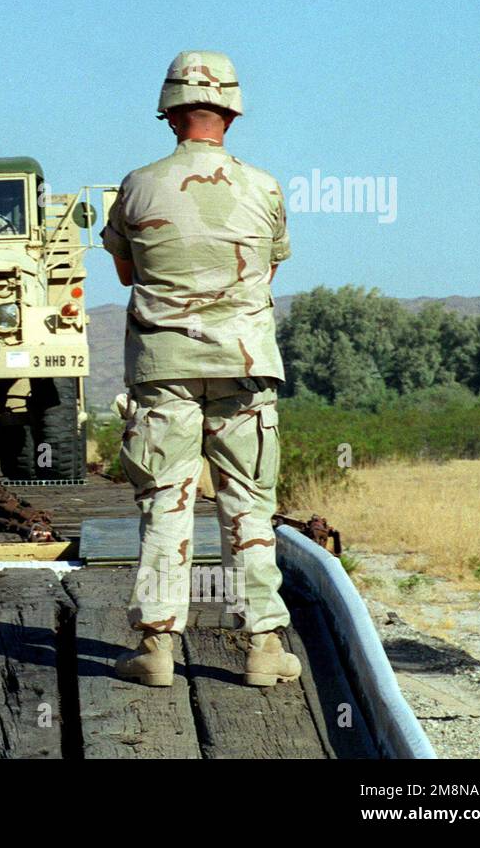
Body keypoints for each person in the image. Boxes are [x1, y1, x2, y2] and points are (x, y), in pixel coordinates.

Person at [102, 50, 300, 688]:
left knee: (166, 501)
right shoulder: (264, 187)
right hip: (244, 364)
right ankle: (264, 647)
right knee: (250, 504)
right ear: (232, 114)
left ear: (169, 114)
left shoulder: (136, 185)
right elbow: (267, 272)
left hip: (165, 368)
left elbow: (126, 272)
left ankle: (157, 647)